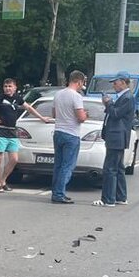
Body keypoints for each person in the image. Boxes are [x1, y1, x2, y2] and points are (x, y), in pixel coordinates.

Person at [0, 78, 51, 192]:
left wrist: (42, 118)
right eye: (5, 86)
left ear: (15, 87)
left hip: (12, 132)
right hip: (0, 131)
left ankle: (3, 180)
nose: (7, 88)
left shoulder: (18, 98)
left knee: (14, 159)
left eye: (10, 86)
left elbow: (29, 108)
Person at [94, 72, 135, 207]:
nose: (114, 85)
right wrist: (109, 104)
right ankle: (120, 197)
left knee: (110, 169)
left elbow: (116, 114)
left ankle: (108, 199)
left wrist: (109, 103)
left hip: (117, 136)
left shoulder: (127, 97)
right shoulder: (123, 97)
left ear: (123, 82)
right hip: (116, 136)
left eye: (115, 83)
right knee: (118, 168)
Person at [50, 70, 88, 204]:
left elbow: (54, 114)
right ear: (79, 82)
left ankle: (56, 192)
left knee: (58, 165)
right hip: (71, 134)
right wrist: (85, 114)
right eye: (82, 83)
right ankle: (59, 193)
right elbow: (80, 117)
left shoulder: (58, 94)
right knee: (68, 166)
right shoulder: (76, 96)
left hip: (58, 132)